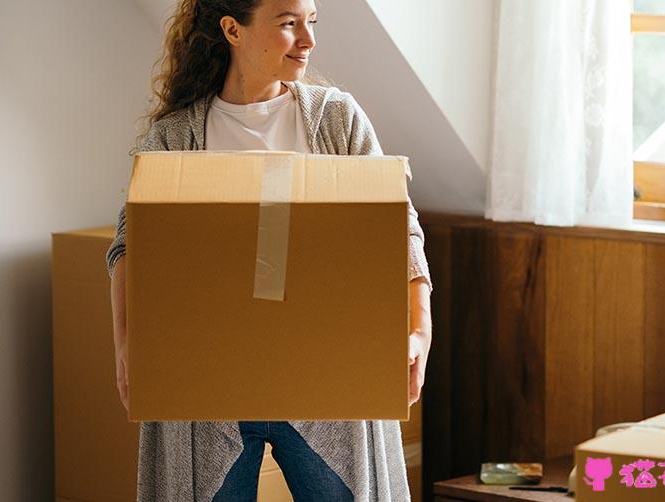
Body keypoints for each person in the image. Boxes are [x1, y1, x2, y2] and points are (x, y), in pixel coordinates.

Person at [105, 0, 433, 500]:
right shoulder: (175, 136)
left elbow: (398, 226)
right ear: (233, 30)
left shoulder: (336, 119)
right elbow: (130, 245)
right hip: (207, 384)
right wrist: (127, 344)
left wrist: (418, 328)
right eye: (288, 24)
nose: (308, 39)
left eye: (311, 23)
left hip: (327, 376)